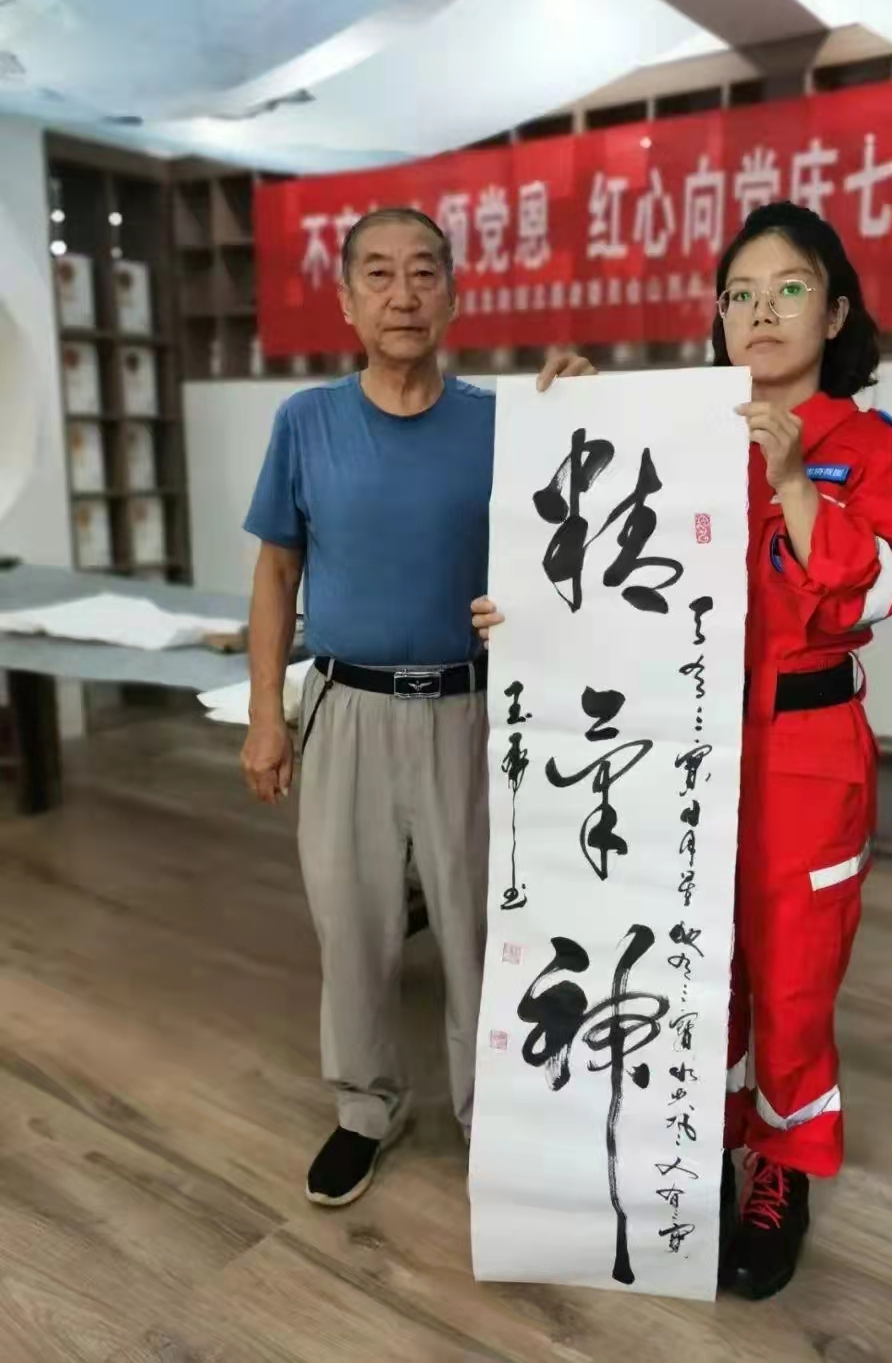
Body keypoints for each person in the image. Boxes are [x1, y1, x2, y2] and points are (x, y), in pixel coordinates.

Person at [473, 200, 892, 1300]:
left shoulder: (875, 448)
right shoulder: (672, 437)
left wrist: (791, 484)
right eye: (739, 293)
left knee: (794, 978)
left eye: (789, 288)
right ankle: (701, 1145)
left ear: (837, 311)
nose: (760, 310)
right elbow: (603, 581)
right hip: (680, 739)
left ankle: (785, 1165)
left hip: (805, 751)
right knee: (692, 956)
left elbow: (878, 587)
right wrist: (569, 454)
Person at [240, 206, 591, 1208]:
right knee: (352, 927)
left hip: (468, 711)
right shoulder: (306, 421)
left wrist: (591, 407)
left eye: (425, 272)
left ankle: (491, 1112)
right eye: (380, 275)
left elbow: (575, 536)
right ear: (347, 299)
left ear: (455, 293)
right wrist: (267, 713)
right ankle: (366, 1107)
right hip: (343, 708)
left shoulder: (503, 422)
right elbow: (276, 572)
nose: (404, 295)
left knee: (478, 928)